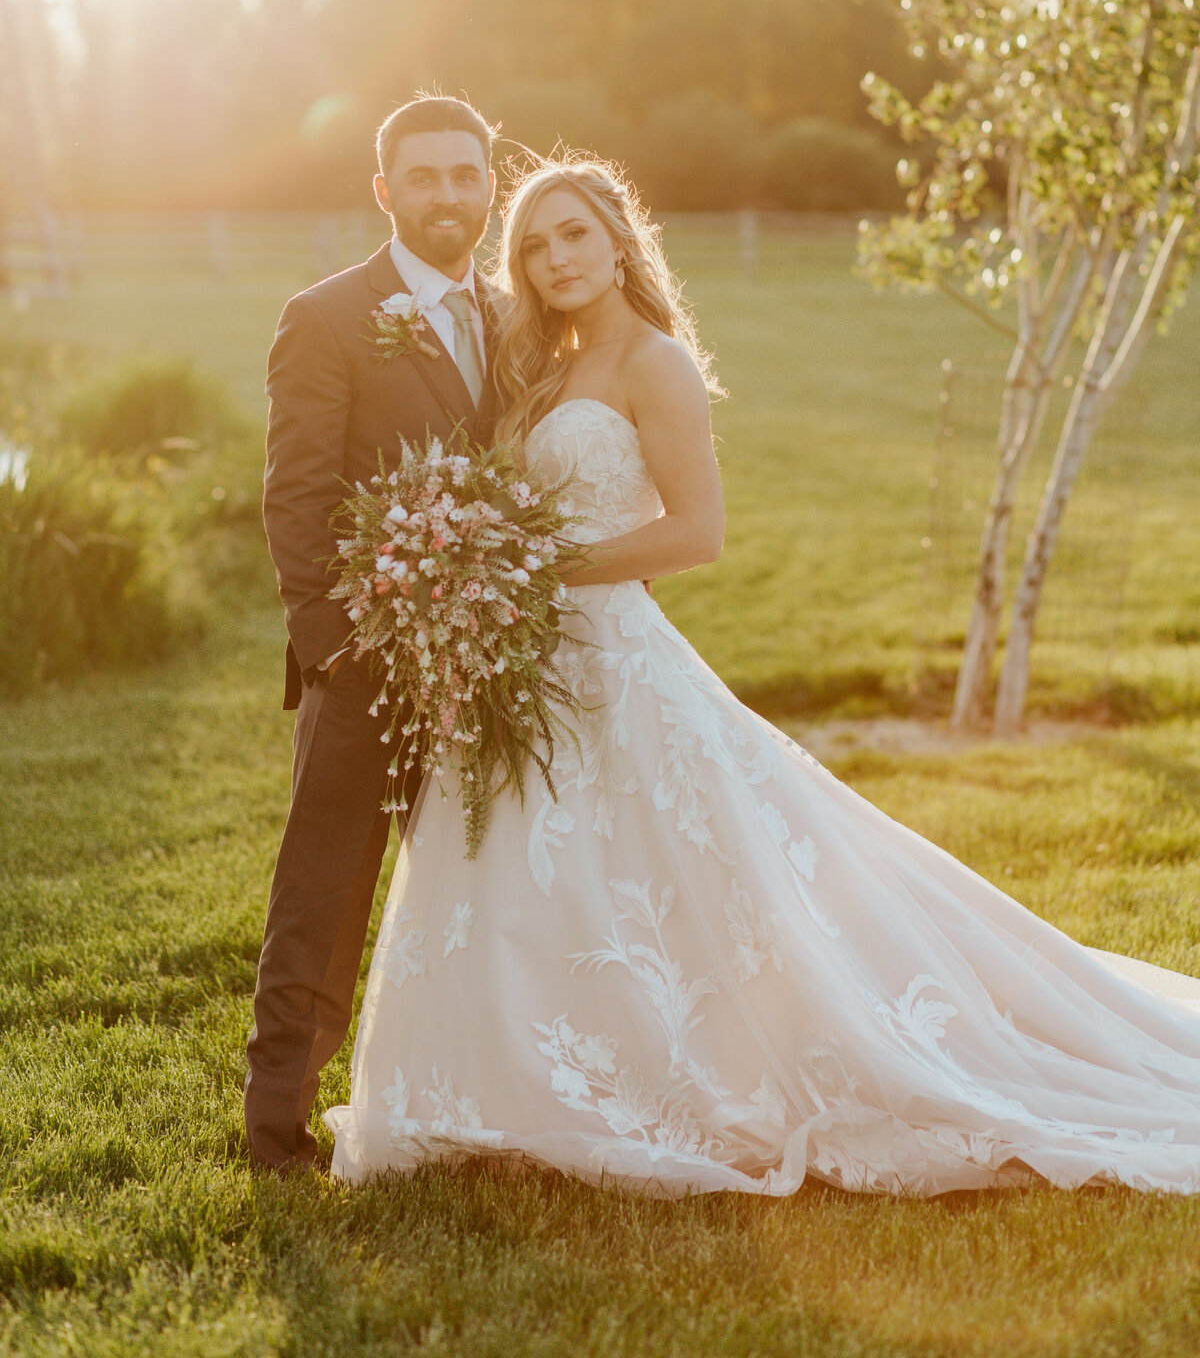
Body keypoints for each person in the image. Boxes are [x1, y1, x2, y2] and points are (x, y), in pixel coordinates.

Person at [325, 154, 1200, 1197]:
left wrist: (523, 569)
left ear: (618, 242)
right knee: (534, 877)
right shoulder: (538, 371)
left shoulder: (657, 365)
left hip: (610, 655)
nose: (554, 258)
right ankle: (518, 1087)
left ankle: (699, 1078)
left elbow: (696, 533)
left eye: (573, 236)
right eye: (534, 246)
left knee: (684, 883)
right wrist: (471, 567)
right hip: (522, 667)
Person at [245, 92, 504, 1172]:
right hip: (366, 657)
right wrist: (339, 641)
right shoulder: (330, 314)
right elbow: (295, 497)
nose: (450, 196)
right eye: (427, 177)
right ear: (386, 191)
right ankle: (276, 1121)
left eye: (468, 175)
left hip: (493, 659)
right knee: (327, 881)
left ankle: (472, 1095)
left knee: (480, 876)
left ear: (491, 187)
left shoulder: (515, 314)